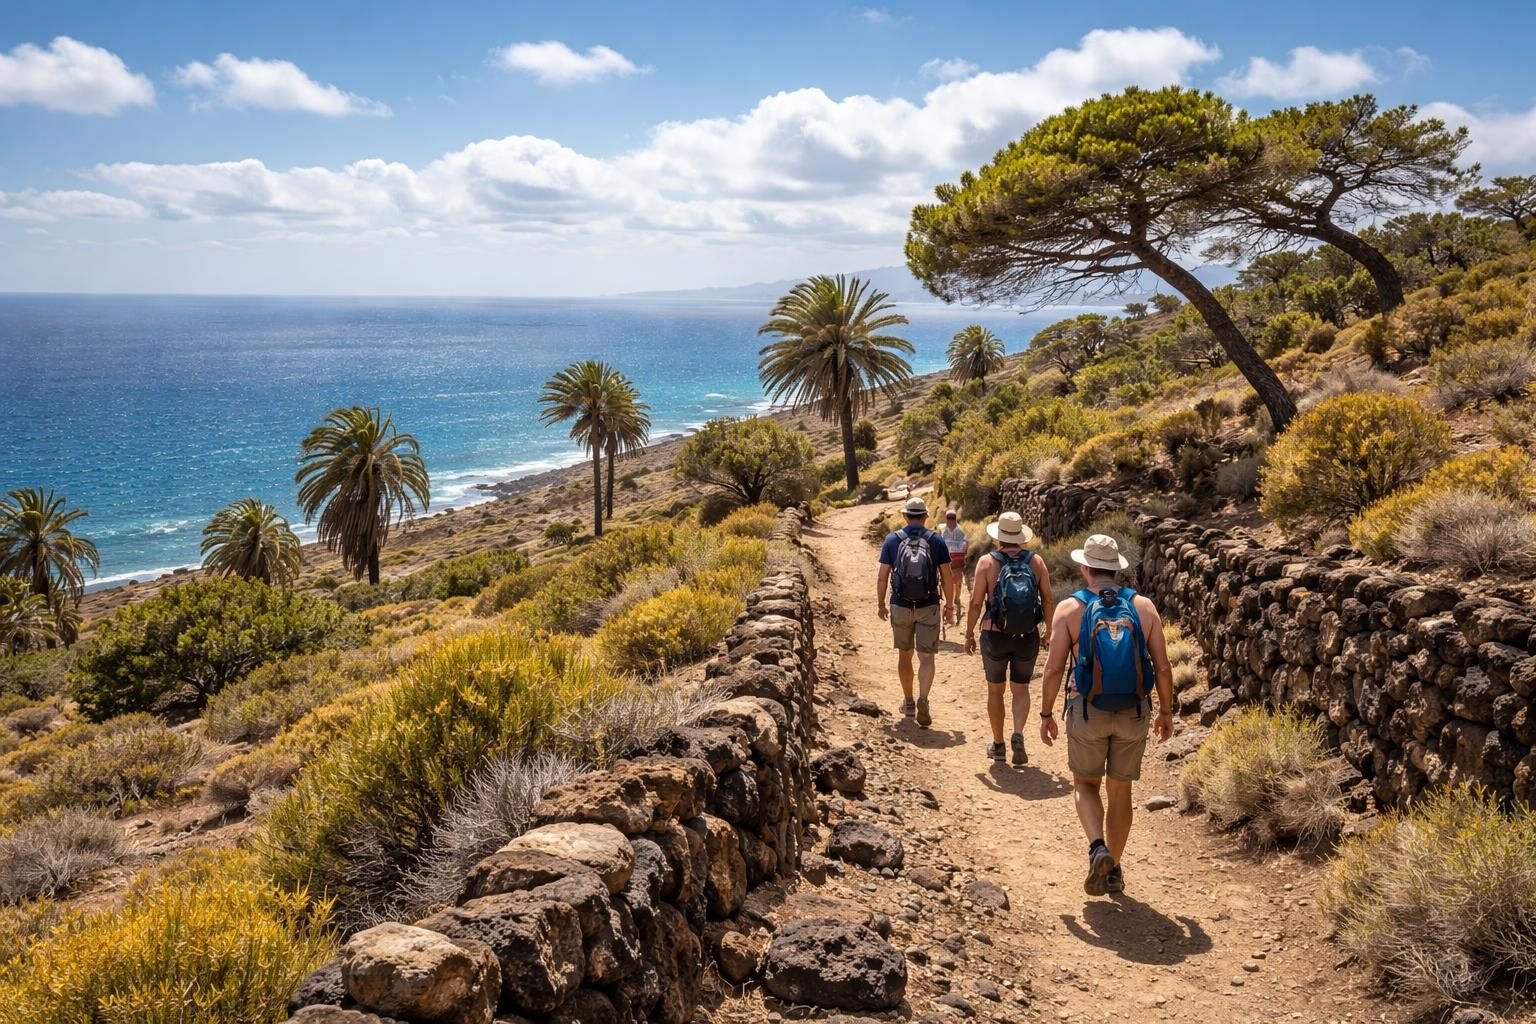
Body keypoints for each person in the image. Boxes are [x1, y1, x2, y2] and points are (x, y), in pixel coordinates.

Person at [1038, 533, 1173, 897]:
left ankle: (1097, 846)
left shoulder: (1069, 609)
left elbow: (1052, 670)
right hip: (1133, 711)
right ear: (1116, 569)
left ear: (1085, 569)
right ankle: (1113, 867)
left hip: (1086, 709)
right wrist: (1166, 711)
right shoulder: (1143, 607)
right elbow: (1162, 667)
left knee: (1085, 783)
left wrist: (1047, 712)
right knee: (1121, 790)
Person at [964, 511, 1054, 765]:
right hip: (1027, 635)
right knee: (1021, 688)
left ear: (999, 537)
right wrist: (1050, 630)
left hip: (995, 635)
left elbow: (974, 603)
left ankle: (999, 744)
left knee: (995, 690)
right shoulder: (1036, 562)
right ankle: (1018, 734)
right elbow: (1047, 598)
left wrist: (969, 634)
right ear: (1021, 537)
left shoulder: (986, 563)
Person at [877, 495, 956, 728]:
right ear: (925, 516)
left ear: (905, 515)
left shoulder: (893, 540)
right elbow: (947, 576)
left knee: (905, 654)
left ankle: (909, 701)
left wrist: (881, 603)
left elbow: (883, 576)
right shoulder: (936, 541)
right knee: (926, 657)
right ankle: (923, 697)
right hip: (928, 604)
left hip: (900, 605)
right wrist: (949, 606)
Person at [939, 509, 969, 625]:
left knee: (956, 580)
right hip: (948, 560)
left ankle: (956, 597)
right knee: (948, 580)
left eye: (952, 518)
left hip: (955, 560)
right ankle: (950, 599)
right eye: (949, 518)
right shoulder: (943, 530)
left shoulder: (959, 530)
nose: (950, 521)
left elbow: (965, 543)